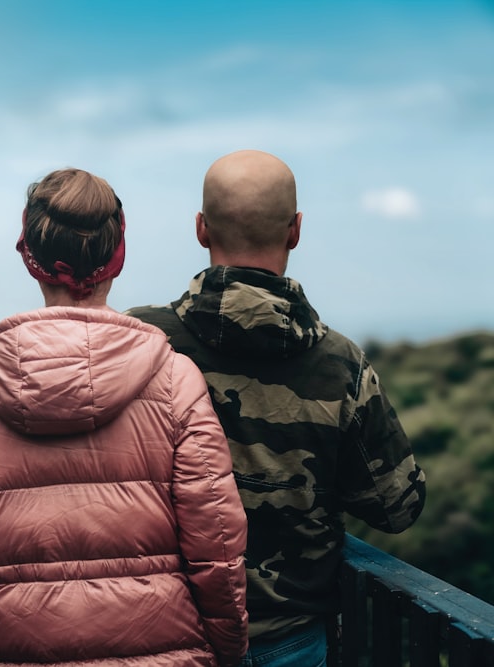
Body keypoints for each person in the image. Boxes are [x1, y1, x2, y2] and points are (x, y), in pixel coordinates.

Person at [0, 167, 249, 667]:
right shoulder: (174, 380)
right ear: (115, 257)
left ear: (30, 258)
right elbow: (216, 540)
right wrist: (228, 648)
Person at [126, 149, 427, 667]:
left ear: (201, 229)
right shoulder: (340, 364)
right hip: (290, 641)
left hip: (165, 637)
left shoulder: (137, 342)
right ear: (295, 230)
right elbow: (398, 506)